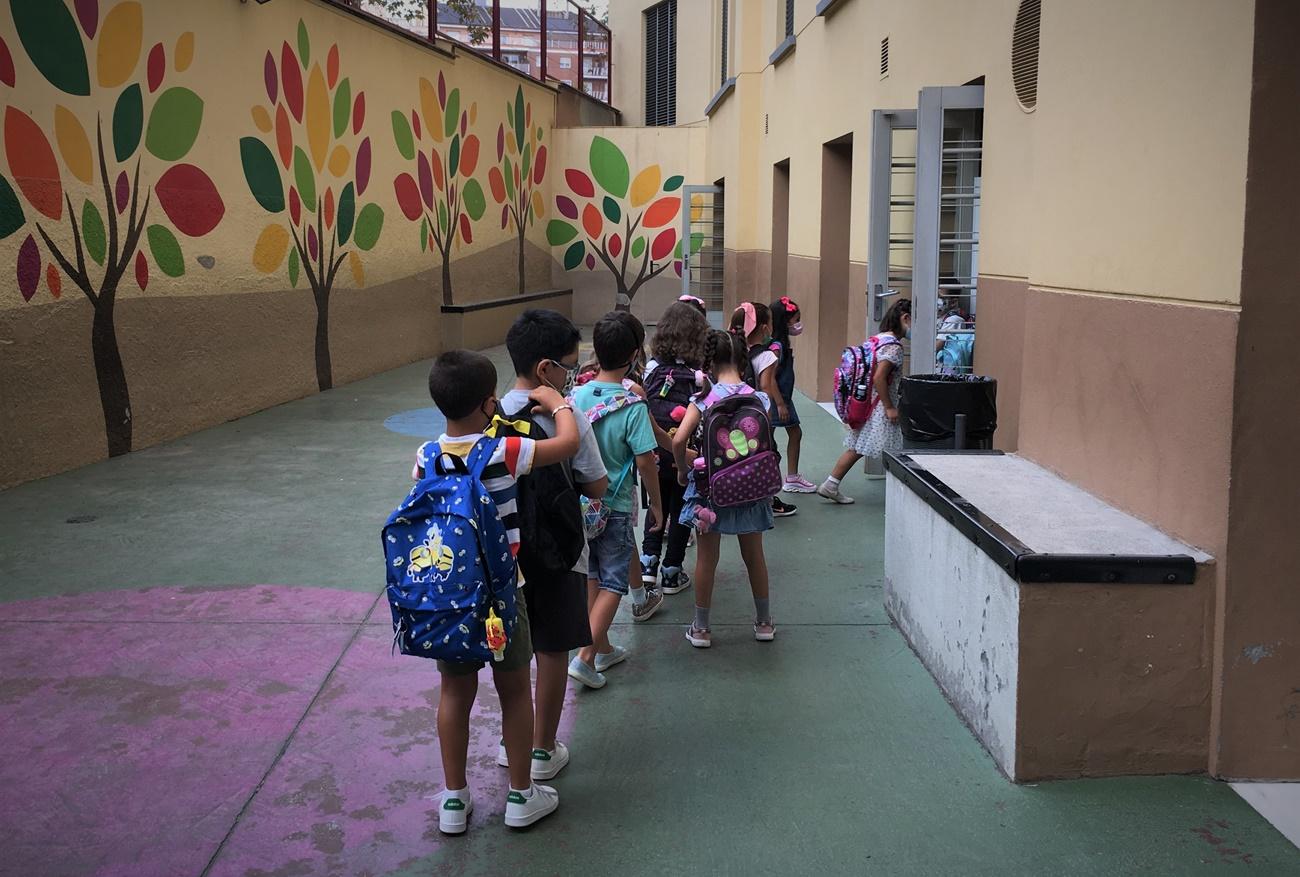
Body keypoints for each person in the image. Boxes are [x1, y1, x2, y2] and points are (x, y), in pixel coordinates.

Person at [416, 350, 579, 833]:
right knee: (512, 692)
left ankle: (453, 799)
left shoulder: (425, 456)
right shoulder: (505, 450)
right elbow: (567, 445)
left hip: (449, 602)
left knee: (454, 691)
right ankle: (520, 796)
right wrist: (557, 404)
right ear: (491, 405)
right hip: (502, 599)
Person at [495, 310, 609, 782]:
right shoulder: (567, 415)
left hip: (506, 555)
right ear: (546, 370)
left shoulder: (492, 412)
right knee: (553, 649)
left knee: (515, 651)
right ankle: (542, 748)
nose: (574, 374)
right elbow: (597, 486)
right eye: (568, 366)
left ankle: (514, 741)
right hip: (560, 550)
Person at [568, 313, 665, 689]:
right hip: (617, 506)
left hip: (582, 505)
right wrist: (656, 504)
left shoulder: (576, 394)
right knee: (613, 583)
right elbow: (644, 460)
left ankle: (602, 645)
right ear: (634, 355)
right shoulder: (632, 406)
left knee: (594, 573)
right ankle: (586, 656)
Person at [675, 328, 777, 647]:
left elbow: (679, 440)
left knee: (707, 558)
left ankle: (702, 628)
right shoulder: (760, 399)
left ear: (709, 362)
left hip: (711, 491)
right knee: (754, 555)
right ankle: (763, 623)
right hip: (751, 487)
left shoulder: (704, 399)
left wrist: (683, 468)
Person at [639, 301, 711, 595]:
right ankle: (672, 570)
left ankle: (648, 564)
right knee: (682, 507)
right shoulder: (699, 376)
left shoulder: (651, 369)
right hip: (686, 456)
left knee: (657, 503)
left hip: (654, 452)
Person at [817, 299, 912, 505]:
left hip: (866, 403)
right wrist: (889, 407)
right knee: (896, 448)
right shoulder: (894, 347)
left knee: (858, 447)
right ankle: (904, 495)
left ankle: (831, 484)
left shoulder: (878, 339)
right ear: (905, 318)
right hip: (880, 405)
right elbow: (879, 377)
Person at [731, 302, 798, 518]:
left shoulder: (732, 351)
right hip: (755, 416)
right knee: (765, 457)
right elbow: (767, 386)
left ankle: (735, 494)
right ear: (764, 328)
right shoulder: (767, 355)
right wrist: (770, 416)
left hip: (731, 413)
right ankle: (767, 500)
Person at [769, 295, 816, 494]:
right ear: (785, 321)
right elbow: (770, 378)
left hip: (781, 397)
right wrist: (780, 403)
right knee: (786, 434)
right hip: (777, 399)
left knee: (773, 436)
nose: (798, 324)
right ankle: (788, 477)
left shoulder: (780, 344)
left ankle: (789, 476)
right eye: (796, 320)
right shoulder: (777, 347)